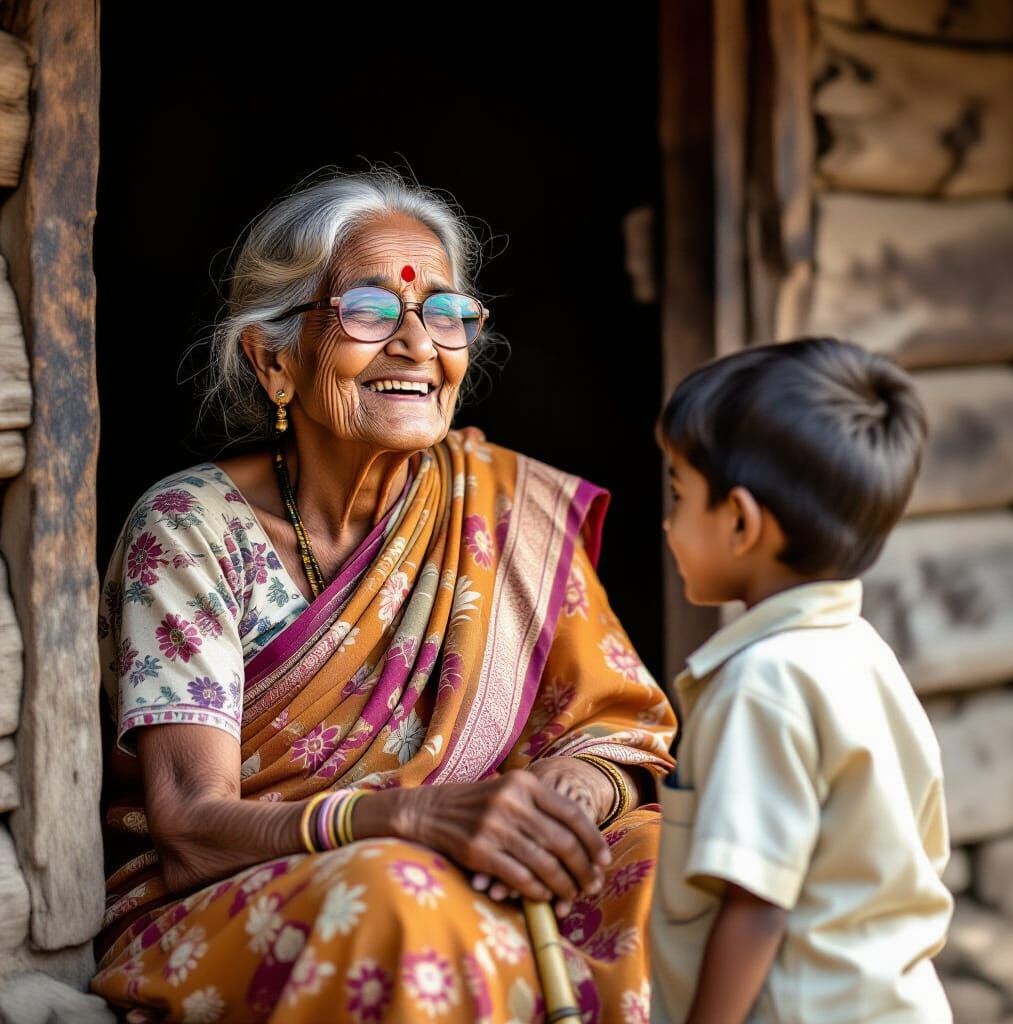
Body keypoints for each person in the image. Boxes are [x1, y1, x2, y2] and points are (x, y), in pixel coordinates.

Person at [91, 171, 675, 1022]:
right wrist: (411, 818)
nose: (416, 345)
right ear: (274, 358)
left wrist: (567, 802)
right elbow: (189, 826)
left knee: (670, 861)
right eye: (369, 311)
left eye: (444, 314)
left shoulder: (503, 507)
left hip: (474, 862)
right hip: (247, 896)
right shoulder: (191, 531)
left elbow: (616, 734)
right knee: (395, 890)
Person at [649, 338, 953, 1024]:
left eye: (679, 492)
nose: (667, 522)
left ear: (740, 521)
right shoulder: (862, 655)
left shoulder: (762, 685)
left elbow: (756, 906)